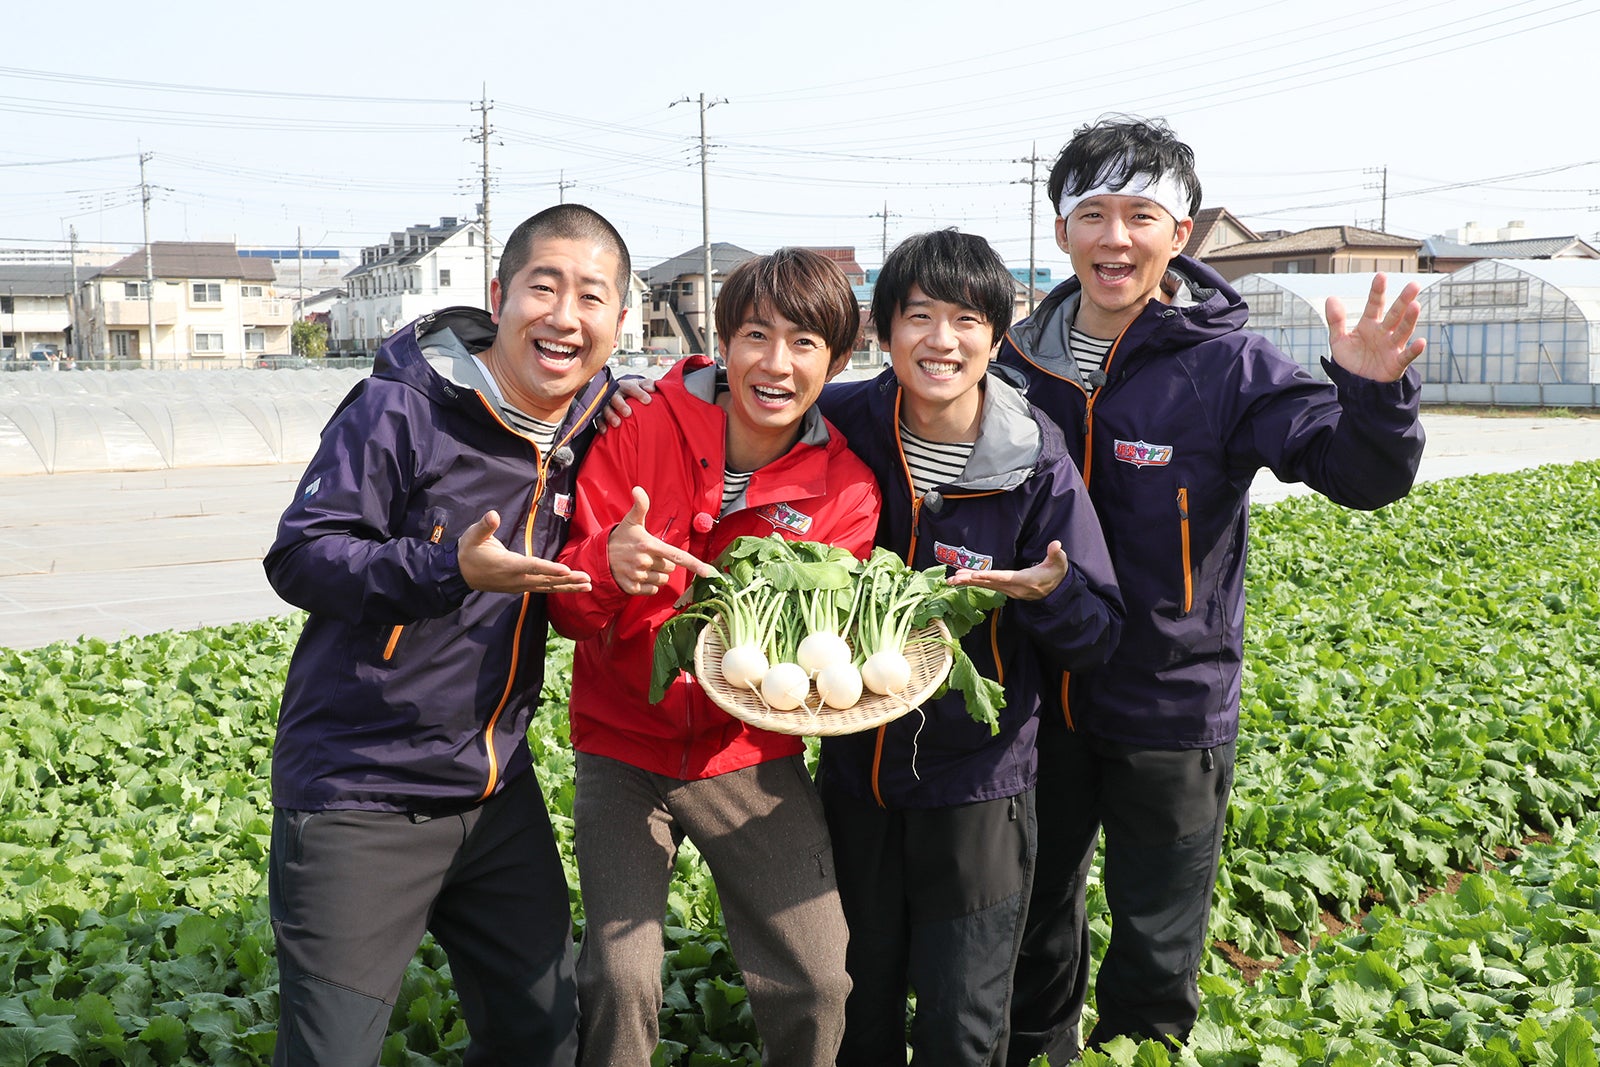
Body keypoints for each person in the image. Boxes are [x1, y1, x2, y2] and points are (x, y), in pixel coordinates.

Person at [998, 116, 1427, 1061]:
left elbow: (1359, 474)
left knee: (1155, 949)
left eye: (1141, 215)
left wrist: (1373, 395)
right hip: (1041, 703)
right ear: (1062, 231)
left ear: (1178, 235)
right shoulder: (1011, 366)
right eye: (1093, 214)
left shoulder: (1225, 362)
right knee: (1033, 926)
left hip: (1171, 703)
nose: (1117, 237)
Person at [263, 203, 637, 1066]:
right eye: (545, 288)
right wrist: (447, 570)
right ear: (500, 296)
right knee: (331, 1053)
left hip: (495, 794)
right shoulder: (402, 407)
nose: (565, 316)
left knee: (539, 1036)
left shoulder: (595, 426)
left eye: (592, 297)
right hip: (363, 790)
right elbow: (302, 554)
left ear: (620, 322)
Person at [546, 247, 883, 1067]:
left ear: (837, 364)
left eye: (804, 344)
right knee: (621, 976)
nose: (775, 363)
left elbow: (815, 648)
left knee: (819, 978)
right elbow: (564, 608)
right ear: (724, 343)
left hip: (747, 754)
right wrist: (607, 567)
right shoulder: (637, 427)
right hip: (624, 742)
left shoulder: (846, 490)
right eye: (756, 336)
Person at [813, 229, 1124, 1066]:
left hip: (978, 787)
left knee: (961, 1023)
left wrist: (1048, 594)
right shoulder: (842, 425)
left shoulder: (1033, 464)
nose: (941, 340)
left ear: (995, 335)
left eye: (966, 319)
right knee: (858, 1011)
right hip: (856, 776)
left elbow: (1098, 632)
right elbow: (741, 403)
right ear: (885, 330)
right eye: (919, 316)